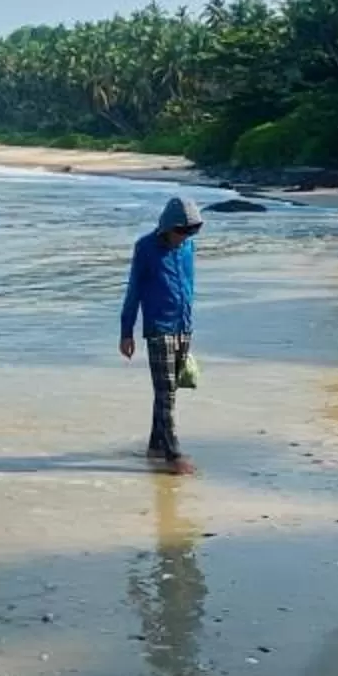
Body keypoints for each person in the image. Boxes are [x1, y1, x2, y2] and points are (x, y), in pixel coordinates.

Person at [119, 196, 201, 472]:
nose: (185, 236)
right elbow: (134, 291)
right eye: (181, 231)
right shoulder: (145, 248)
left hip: (183, 327)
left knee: (170, 391)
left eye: (191, 231)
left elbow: (188, 286)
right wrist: (126, 331)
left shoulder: (189, 247)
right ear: (167, 226)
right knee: (165, 393)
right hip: (159, 329)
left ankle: (156, 444)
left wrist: (188, 326)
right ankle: (172, 453)